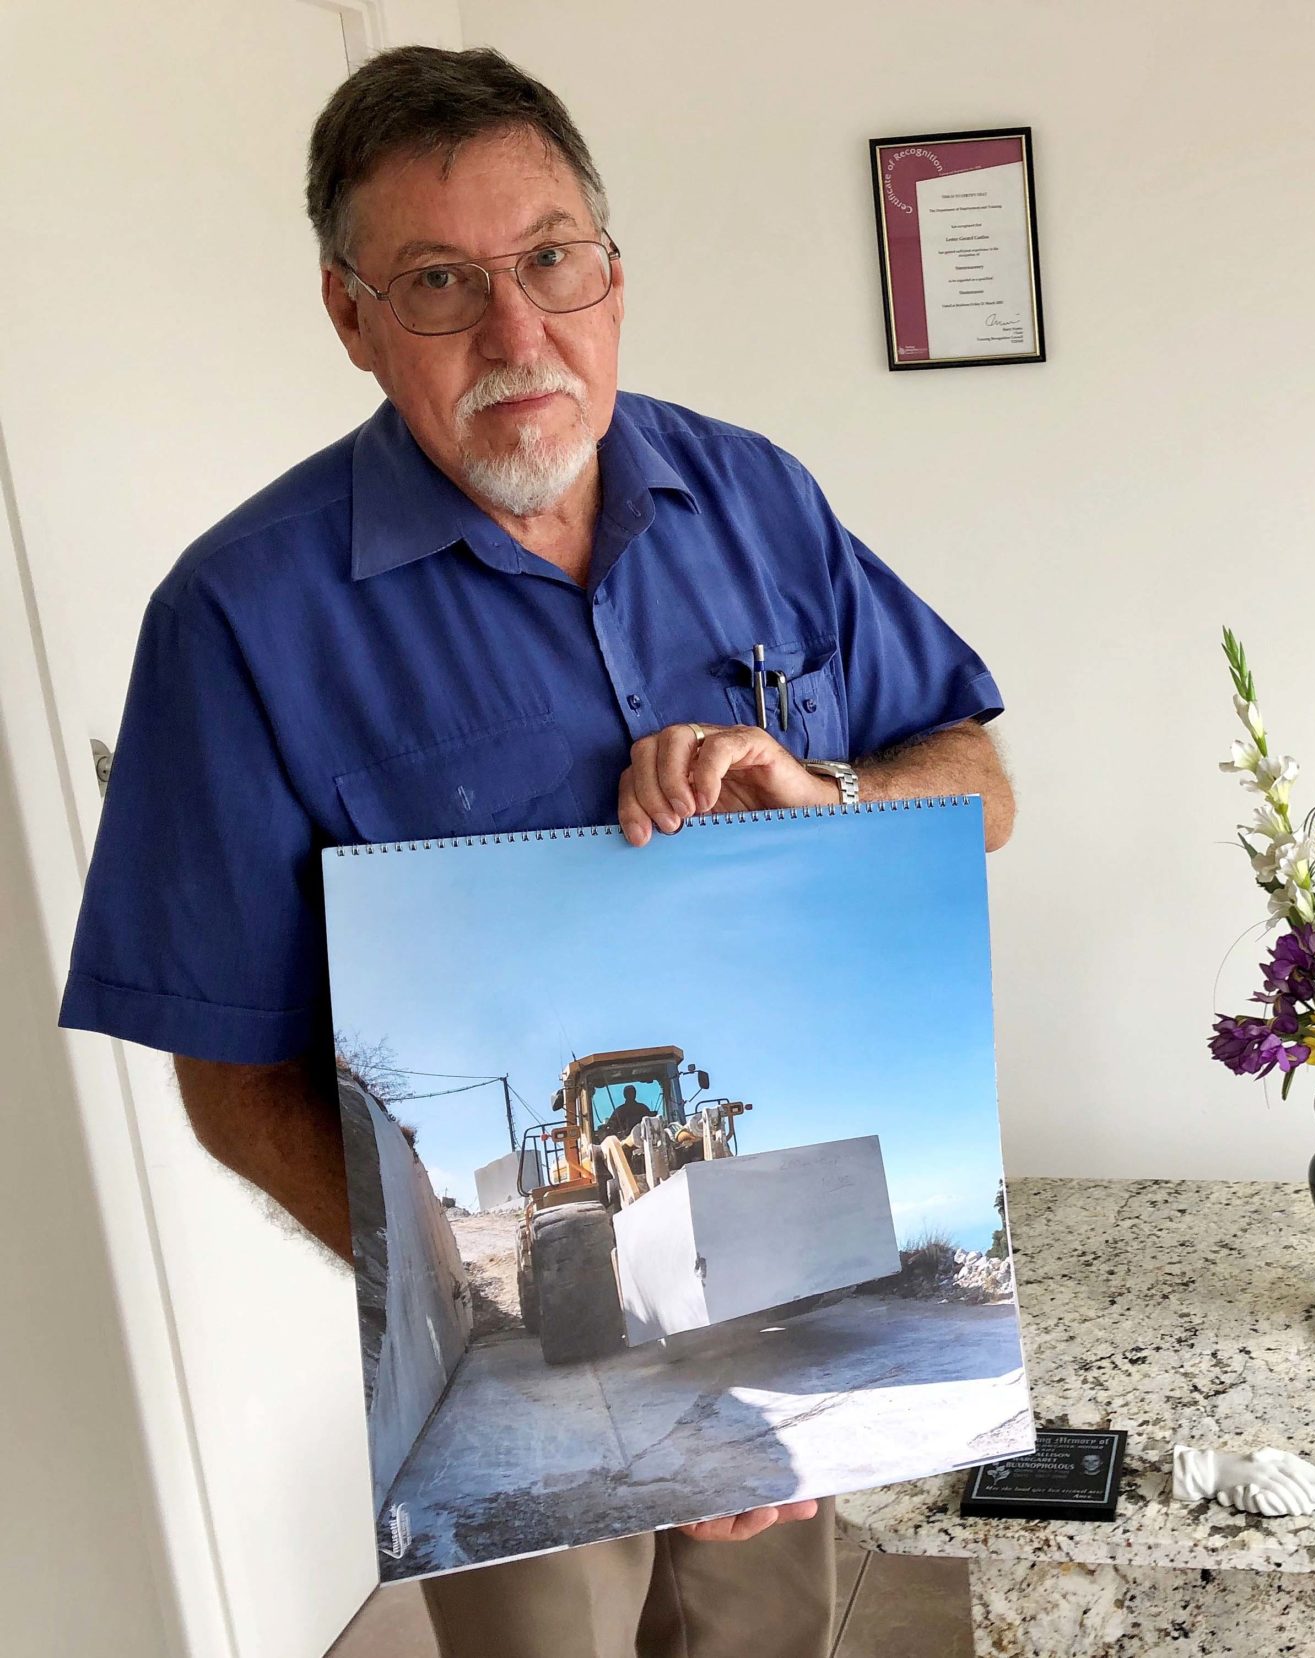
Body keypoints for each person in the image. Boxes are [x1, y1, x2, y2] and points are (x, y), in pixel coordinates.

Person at [57, 44, 1014, 1658]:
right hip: (542, 1415)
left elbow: (979, 780)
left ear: (614, 274)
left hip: (784, 1407)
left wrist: (830, 792)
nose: (518, 332)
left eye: (549, 259)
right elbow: (229, 1082)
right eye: (439, 282)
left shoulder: (763, 501)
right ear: (351, 317)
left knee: (772, 1639)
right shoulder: (235, 621)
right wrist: (502, 1330)